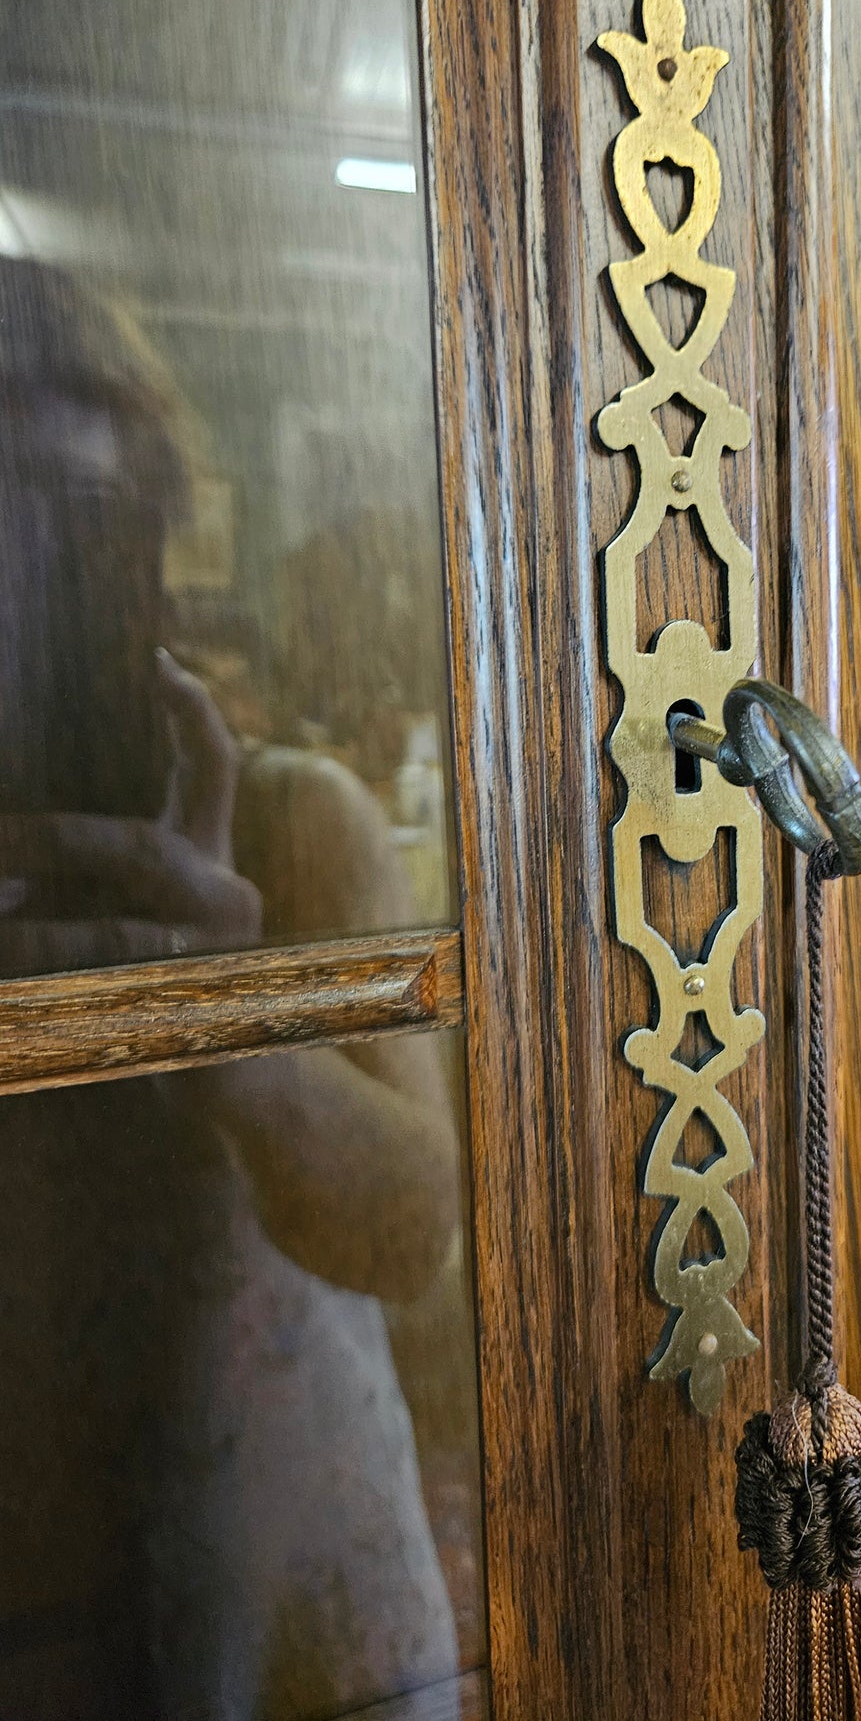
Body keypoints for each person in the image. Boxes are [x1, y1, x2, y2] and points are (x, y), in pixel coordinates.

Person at [0, 259, 463, 1719]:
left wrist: (206, 1009)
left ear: (155, 552)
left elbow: (415, 1235)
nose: (36, 592)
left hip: (311, 1627)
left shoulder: (288, 820)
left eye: (87, 528)